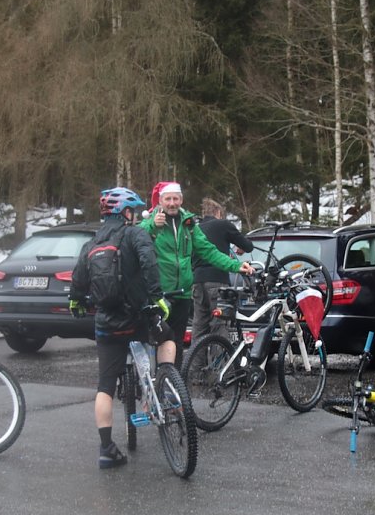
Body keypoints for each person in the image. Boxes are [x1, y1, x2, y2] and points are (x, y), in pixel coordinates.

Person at [69, 187, 174, 470]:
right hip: (138, 317)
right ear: (125, 212)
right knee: (168, 340)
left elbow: (77, 283)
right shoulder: (135, 233)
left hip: (107, 323)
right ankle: (165, 384)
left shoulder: (90, 245)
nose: (136, 215)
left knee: (104, 386)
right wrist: (156, 298)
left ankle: (106, 450)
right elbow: (149, 264)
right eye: (133, 210)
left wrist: (76, 303)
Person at [139, 182, 254, 369]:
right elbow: (137, 240)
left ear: (181, 200)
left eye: (175, 198)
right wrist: (152, 226)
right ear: (160, 201)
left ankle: (171, 386)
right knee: (155, 341)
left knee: (176, 342)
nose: (172, 203)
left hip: (183, 293)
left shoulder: (189, 224)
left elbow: (209, 251)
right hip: (159, 294)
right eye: (167, 199)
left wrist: (236, 266)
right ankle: (151, 385)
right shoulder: (151, 222)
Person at [191, 197, 254, 343]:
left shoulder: (196, 228)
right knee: (219, 326)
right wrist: (242, 248)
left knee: (199, 327)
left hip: (197, 281)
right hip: (217, 280)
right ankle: (219, 365)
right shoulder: (223, 224)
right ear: (218, 212)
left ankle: (193, 365)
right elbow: (248, 245)